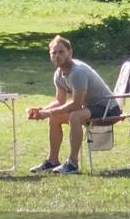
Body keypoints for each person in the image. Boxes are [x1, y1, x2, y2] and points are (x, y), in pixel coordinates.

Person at [27, 34, 121, 174]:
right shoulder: (58, 74)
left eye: (61, 52)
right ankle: (52, 161)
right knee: (55, 118)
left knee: (74, 116)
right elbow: (60, 101)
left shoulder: (77, 72)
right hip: (89, 108)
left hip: (108, 109)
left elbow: (76, 105)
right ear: (50, 55)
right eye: (54, 53)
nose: (57, 56)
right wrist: (41, 111)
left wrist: (48, 112)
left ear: (70, 53)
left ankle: (72, 164)